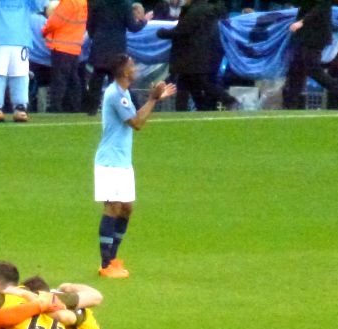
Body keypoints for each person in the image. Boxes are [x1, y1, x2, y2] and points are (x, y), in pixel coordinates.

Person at [95, 54, 175, 278]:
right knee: (112, 207)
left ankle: (113, 258)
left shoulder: (124, 93)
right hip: (110, 162)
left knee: (126, 208)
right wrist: (152, 99)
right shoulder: (115, 95)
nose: (136, 68)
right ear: (123, 72)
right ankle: (105, 264)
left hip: (122, 161)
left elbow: (137, 117)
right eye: (132, 66)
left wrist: (155, 99)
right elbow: (137, 122)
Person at [158, 0, 235, 111]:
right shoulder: (207, 10)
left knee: (201, 83)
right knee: (187, 85)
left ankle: (228, 100)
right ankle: (195, 110)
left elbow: (182, 30)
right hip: (201, 54)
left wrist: (161, 32)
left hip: (193, 56)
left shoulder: (196, 11)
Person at [0, 0, 45, 123]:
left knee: (18, 74)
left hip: (12, 41)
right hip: (1, 40)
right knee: (0, 73)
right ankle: (0, 106)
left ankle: (15, 106)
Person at [85, 0, 149, 114]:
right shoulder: (124, 4)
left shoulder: (97, 3)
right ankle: (129, 107)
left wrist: (95, 36)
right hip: (117, 45)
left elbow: (90, 25)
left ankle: (91, 109)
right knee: (118, 78)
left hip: (100, 43)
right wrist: (144, 21)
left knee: (97, 77)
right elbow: (133, 27)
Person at [283, 0, 338, 109]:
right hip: (306, 35)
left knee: (312, 68)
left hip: (316, 35)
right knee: (296, 68)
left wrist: (302, 22)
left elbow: (320, 8)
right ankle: (291, 103)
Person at [42, 0, 85, 112]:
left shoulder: (68, 2)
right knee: (73, 78)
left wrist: (44, 30)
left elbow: (55, 21)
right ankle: (75, 106)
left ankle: (55, 106)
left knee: (59, 78)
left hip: (61, 45)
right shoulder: (83, 3)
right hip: (75, 46)